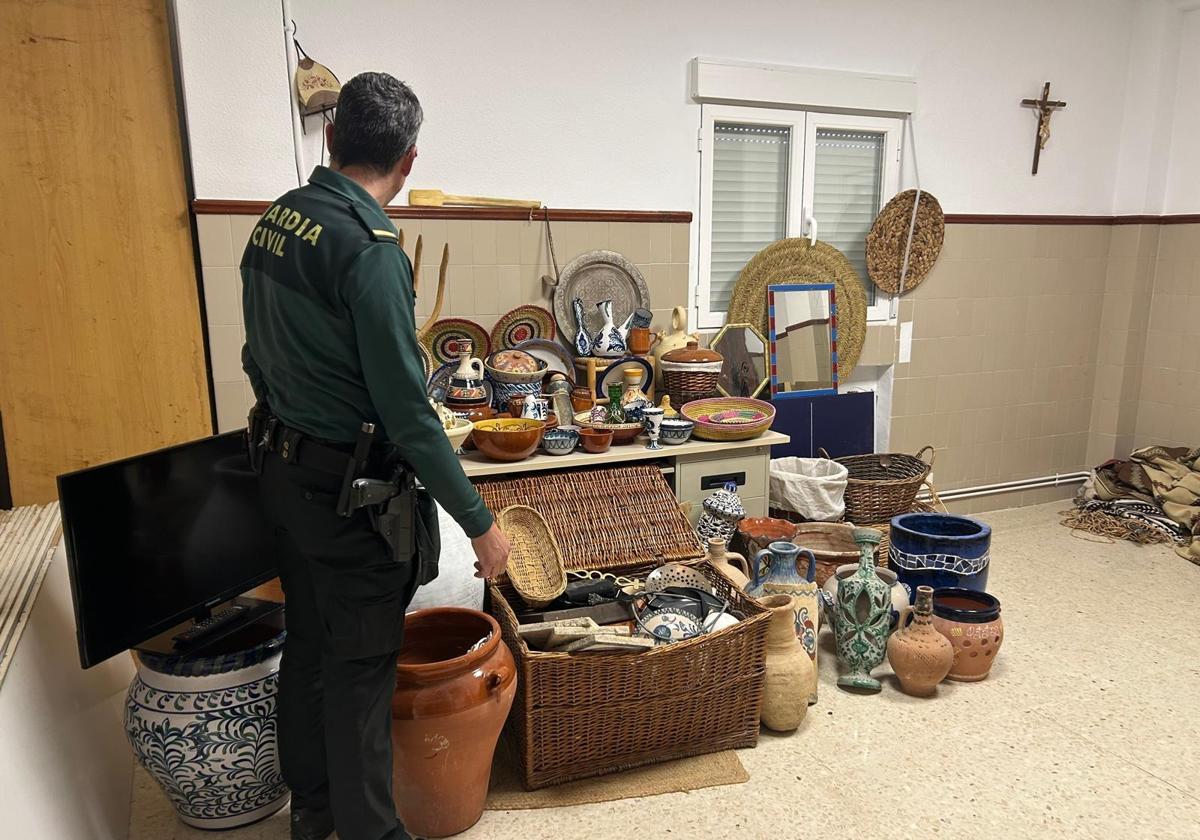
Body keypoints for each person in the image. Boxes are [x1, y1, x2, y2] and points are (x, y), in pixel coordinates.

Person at [240, 72, 511, 840]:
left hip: (283, 477)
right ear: (410, 160)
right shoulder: (372, 250)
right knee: (361, 679)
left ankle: (314, 815)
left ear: (331, 138)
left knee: (312, 651)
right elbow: (410, 416)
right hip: (349, 499)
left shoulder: (276, 220)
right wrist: (481, 523)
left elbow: (256, 353)